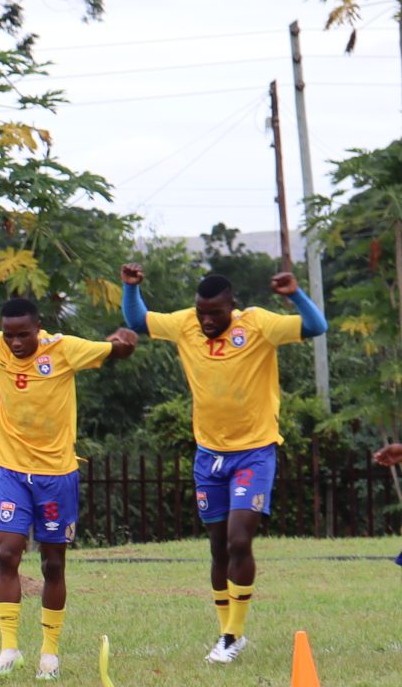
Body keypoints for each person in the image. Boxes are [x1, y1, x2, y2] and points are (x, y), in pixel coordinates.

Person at [120, 262, 328, 662]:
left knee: (238, 541)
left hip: (254, 452)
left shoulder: (258, 324)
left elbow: (316, 327)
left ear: (233, 305)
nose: (207, 321)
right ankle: (225, 632)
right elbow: (138, 321)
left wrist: (294, 296)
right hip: (209, 455)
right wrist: (130, 288)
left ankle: (233, 636)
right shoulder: (186, 324)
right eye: (202, 312)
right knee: (218, 547)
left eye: (215, 313)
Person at [0, 297, 136, 679]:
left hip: (56, 477)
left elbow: (116, 351)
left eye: (23, 335)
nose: (15, 343)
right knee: (7, 554)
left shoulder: (64, 349)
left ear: (38, 329)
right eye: (9, 335)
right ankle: (9, 650)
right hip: (12, 471)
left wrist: (124, 340)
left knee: (53, 563)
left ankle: (49, 654)